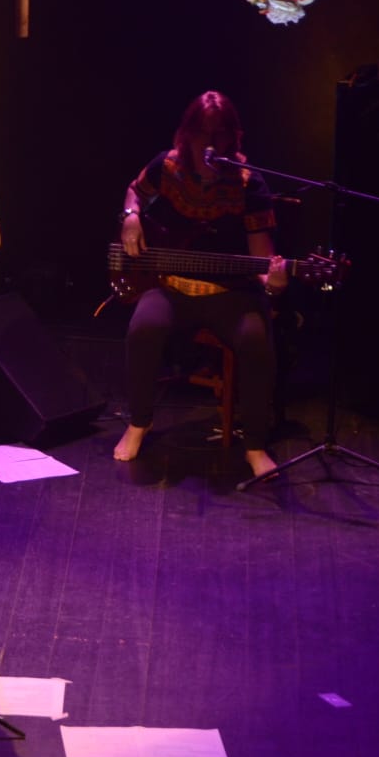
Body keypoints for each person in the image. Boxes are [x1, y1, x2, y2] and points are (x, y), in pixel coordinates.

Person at [112, 91, 287, 478]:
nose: (210, 144)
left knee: (258, 342)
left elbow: (262, 258)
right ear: (187, 134)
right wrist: (131, 215)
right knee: (143, 328)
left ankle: (254, 445)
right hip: (172, 286)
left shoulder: (249, 183)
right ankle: (139, 422)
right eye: (202, 134)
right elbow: (134, 192)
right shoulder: (166, 167)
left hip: (232, 295)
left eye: (219, 135)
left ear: (231, 138)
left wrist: (273, 281)